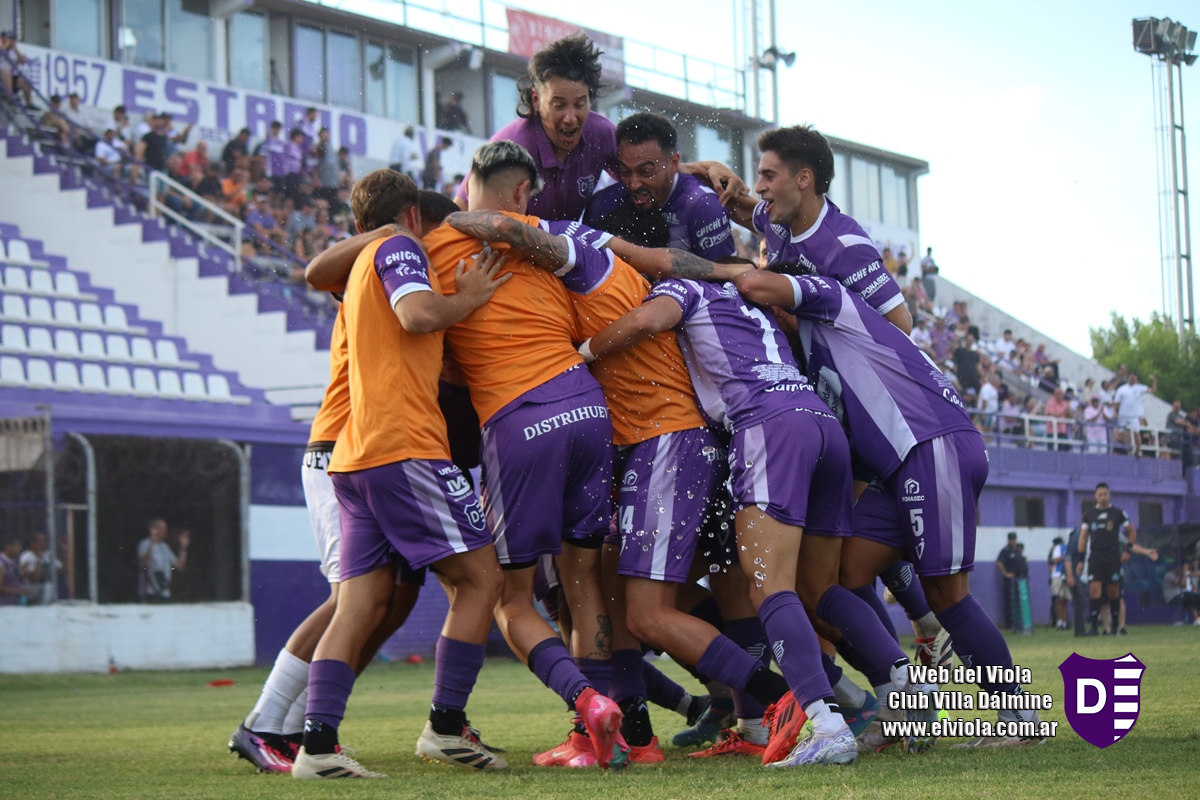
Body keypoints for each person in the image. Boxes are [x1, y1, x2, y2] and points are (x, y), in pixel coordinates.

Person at [438, 211, 795, 763]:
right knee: (609, 592)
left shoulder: (586, 261)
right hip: (635, 445)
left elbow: (516, 233)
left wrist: (456, 217)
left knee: (648, 611)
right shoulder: (577, 284)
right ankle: (637, 736)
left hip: (667, 441)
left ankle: (782, 700)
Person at [732, 266, 1046, 748]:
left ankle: (1017, 715)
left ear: (783, 306)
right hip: (899, 468)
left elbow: (760, 282)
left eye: (773, 314)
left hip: (931, 448)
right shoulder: (813, 361)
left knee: (949, 597)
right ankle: (899, 696)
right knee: (839, 578)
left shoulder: (834, 306)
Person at [291, 169, 514, 779]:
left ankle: (317, 746)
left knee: (357, 604)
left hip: (356, 457)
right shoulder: (398, 248)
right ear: (416, 215)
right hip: (404, 448)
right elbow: (417, 315)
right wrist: (468, 297)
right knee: (481, 578)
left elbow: (323, 276)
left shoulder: (358, 265)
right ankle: (446, 727)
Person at [456, 34, 743, 220]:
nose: (571, 118)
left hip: (562, 254)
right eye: (558, 105)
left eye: (580, 104)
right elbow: (459, 208)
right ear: (536, 100)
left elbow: (649, 171)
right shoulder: (510, 147)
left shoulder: (600, 133)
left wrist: (707, 168)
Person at [718, 125, 912, 335]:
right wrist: (708, 168)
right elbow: (735, 206)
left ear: (803, 178)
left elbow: (902, 326)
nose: (758, 187)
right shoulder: (776, 215)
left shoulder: (846, 246)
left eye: (769, 176)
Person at [582, 112, 736, 260]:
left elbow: (726, 282)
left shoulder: (703, 206)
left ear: (674, 163)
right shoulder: (602, 205)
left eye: (646, 172)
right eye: (625, 172)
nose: (634, 184)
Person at [1077, 483, 1154, 636]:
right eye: (1100, 494)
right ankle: (1093, 628)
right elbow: (1083, 537)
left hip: (1112, 556)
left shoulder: (1118, 513)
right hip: (1095, 556)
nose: (1103, 497)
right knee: (1094, 591)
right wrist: (1080, 560)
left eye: (1105, 494)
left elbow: (1131, 532)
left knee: (1114, 592)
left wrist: (1128, 550)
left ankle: (1115, 628)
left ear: (1109, 495)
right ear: (1095, 496)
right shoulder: (1089, 515)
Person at [137, 519, 188, 602]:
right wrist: (152, 541)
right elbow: (145, 563)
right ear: (153, 529)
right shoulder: (145, 544)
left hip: (164, 592)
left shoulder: (165, 547)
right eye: (161, 528)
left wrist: (183, 547)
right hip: (150, 593)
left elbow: (179, 566)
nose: (165, 531)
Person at [1112, 373, 1156, 453]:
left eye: (1134, 377)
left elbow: (1152, 390)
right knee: (1122, 434)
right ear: (1129, 378)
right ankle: (1125, 450)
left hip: (1134, 416)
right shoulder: (1122, 389)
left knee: (1137, 432)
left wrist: (1154, 380)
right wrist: (1115, 412)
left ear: (1136, 379)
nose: (1132, 379)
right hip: (1123, 415)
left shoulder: (1139, 388)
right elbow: (1116, 402)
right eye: (1131, 377)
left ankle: (1137, 450)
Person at [994, 533, 1022, 631]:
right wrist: (1005, 573)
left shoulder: (1017, 550)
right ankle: (1009, 623)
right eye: (1011, 539)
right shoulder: (1005, 551)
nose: (1012, 541)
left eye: (1013, 539)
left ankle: (1018, 622)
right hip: (1010, 580)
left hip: (1019, 580)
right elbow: (999, 562)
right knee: (1010, 601)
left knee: (1019, 601)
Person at [0, 31, 34, 107]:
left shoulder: (13, 51)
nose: (11, 41)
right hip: (2, 77)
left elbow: (22, 61)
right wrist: (4, 45)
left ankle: (29, 104)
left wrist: (15, 48)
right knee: (6, 71)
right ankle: (11, 98)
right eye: (9, 39)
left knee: (24, 80)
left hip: (10, 79)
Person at [1048, 537, 1069, 630]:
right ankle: (1059, 621)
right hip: (1057, 575)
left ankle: (1064, 622)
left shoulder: (1065, 548)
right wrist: (1064, 557)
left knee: (1065, 600)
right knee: (1059, 599)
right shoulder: (1056, 549)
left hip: (1066, 574)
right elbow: (1054, 560)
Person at [0, 536, 28, 605]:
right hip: (4, 604)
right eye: (17, 546)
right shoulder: (1, 562)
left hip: (15, 603)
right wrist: (19, 591)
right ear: (8, 546)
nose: (20, 549)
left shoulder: (15, 562)